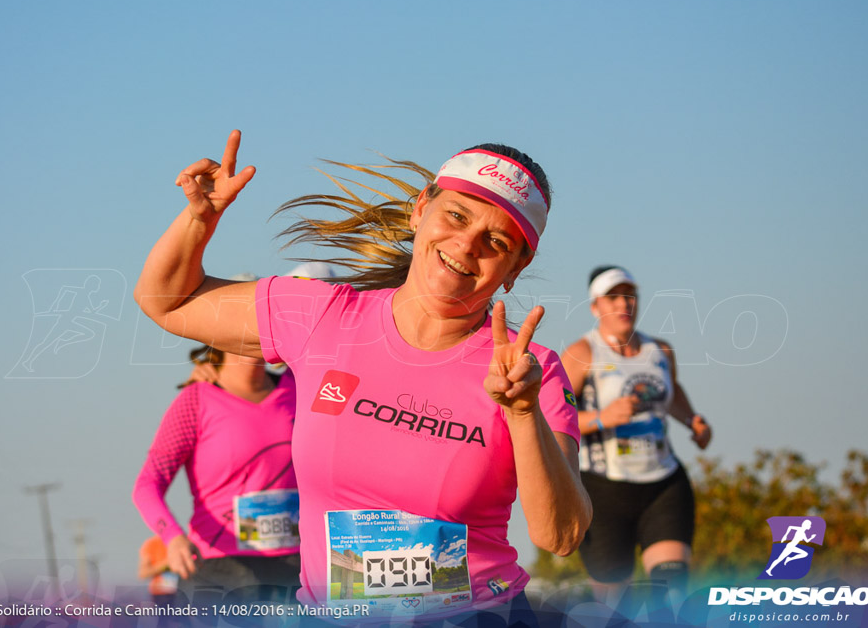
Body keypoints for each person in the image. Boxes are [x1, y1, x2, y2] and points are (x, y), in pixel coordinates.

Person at [134, 130, 591, 624]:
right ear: (421, 210)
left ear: (515, 268)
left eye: (496, 241)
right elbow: (165, 301)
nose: (466, 244)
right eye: (456, 216)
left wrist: (522, 413)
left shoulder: (529, 369)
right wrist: (200, 219)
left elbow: (560, 535)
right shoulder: (322, 316)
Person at [560, 266, 712, 606]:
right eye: (613, 297)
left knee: (671, 592)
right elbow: (554, 416)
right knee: (615, 607)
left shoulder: (660, 351)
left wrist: (693, 421)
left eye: (629, 296)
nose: (623, 305)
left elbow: (673, 393)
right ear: (595, 306)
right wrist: (602, 417)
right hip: (604, 490)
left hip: (663, 486)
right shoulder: (582, 354)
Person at [132, 334, 301, 606]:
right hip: (219, 570)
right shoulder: (196, 400)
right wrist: (172, 537)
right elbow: (148, 484)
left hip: (297, 568)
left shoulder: (298, 388)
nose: (256, 331)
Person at [138, 535, 178, 613]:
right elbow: (143, 573)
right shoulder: (152, 544)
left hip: (183, 592)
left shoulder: (185, 542)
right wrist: (166, 565)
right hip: (160, 594)